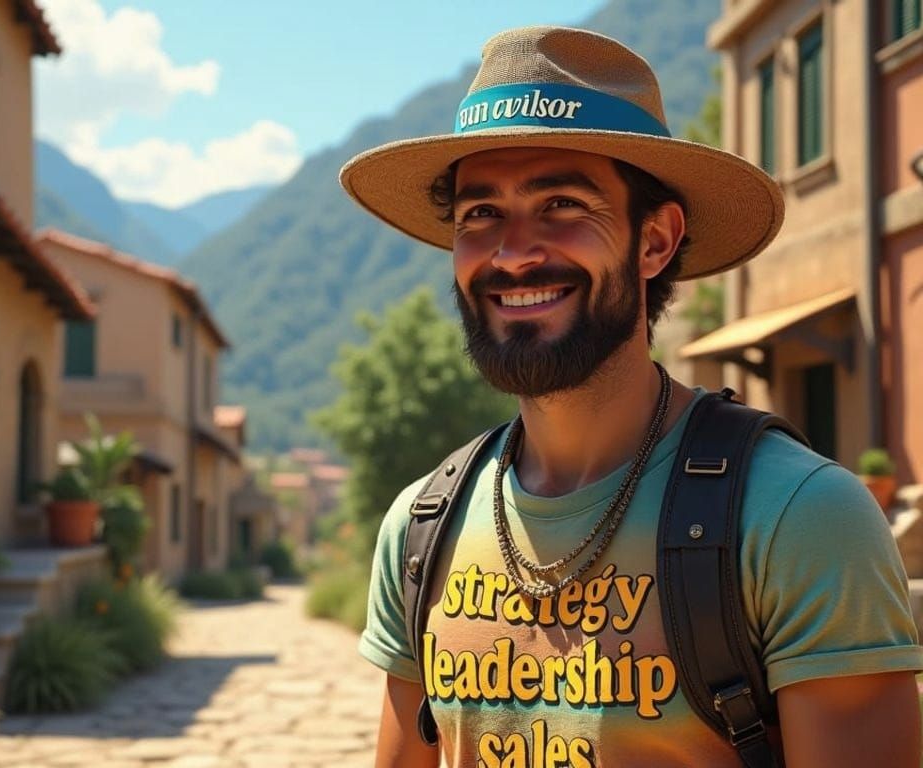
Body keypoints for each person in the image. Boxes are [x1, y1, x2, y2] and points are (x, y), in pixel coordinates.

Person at [339, 26, 923, 768]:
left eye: (561, 204)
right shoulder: (422, 527)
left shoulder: (798, 520)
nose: (513, 252)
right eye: (480, 214)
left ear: (655, 242)